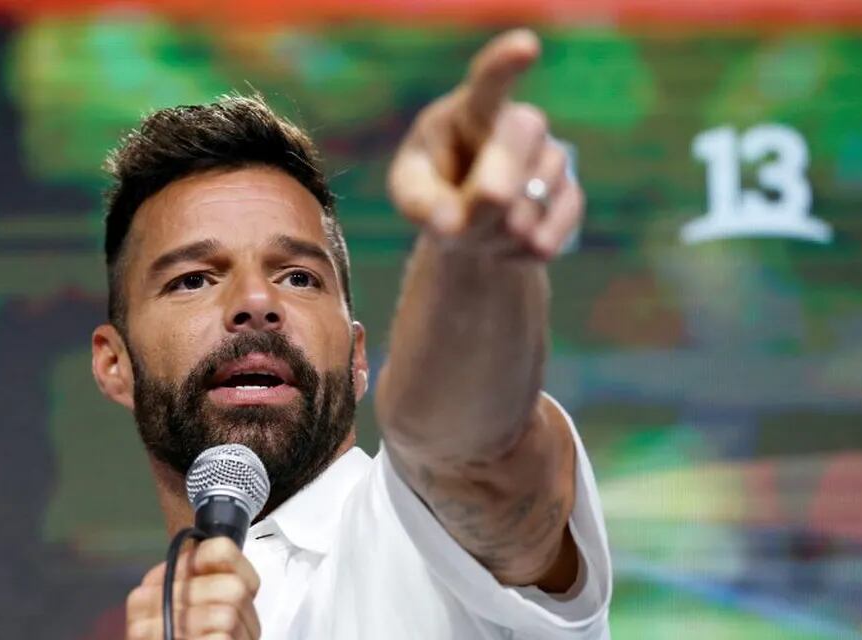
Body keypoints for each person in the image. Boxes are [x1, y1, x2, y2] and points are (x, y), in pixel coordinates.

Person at [90, 29, 611, 639]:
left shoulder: (419, 531)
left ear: (358, 357)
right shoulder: (152, 617)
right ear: (114, 363)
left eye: (298, 276)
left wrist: (468, 268)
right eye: (194, 280)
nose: (256, 303)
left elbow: (473, 453)